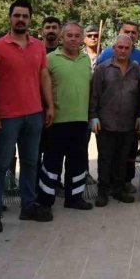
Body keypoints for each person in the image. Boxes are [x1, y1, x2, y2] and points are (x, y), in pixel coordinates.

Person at [0, 0, 55, 233]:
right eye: (17, 15)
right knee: (1, 164)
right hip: (6, 117)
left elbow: (44, 77)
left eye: (25, 16)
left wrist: (49, 106)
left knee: (31, 162)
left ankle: (28, 206)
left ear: (30, 20)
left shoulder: (38, 47)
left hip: (34, 114)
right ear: (10, 18)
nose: (21, 19)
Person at [37, 22, 93, 212]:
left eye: (77, 36)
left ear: (81, 39)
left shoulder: (86, 60)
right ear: (61, 38)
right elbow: (42, 88)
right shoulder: (50, 59)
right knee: (52, 162)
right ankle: (45, 201)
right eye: (69, 35)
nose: (73, 39)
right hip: (57, 121)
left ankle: (74, 198)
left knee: (77, 162)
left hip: (80, 120)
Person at [90, 35, 140, 206]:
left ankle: (118, 190)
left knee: (122, 159)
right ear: (114, 48)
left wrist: (138, 117)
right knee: (105, 159)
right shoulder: (103, 69)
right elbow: (94, 95)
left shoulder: (136, 69)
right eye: (120, 47)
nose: (123, 51)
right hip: (105, 123)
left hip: (127, 123)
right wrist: (94, 117)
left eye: (126, 48)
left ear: (130, 50)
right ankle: (103, 192)